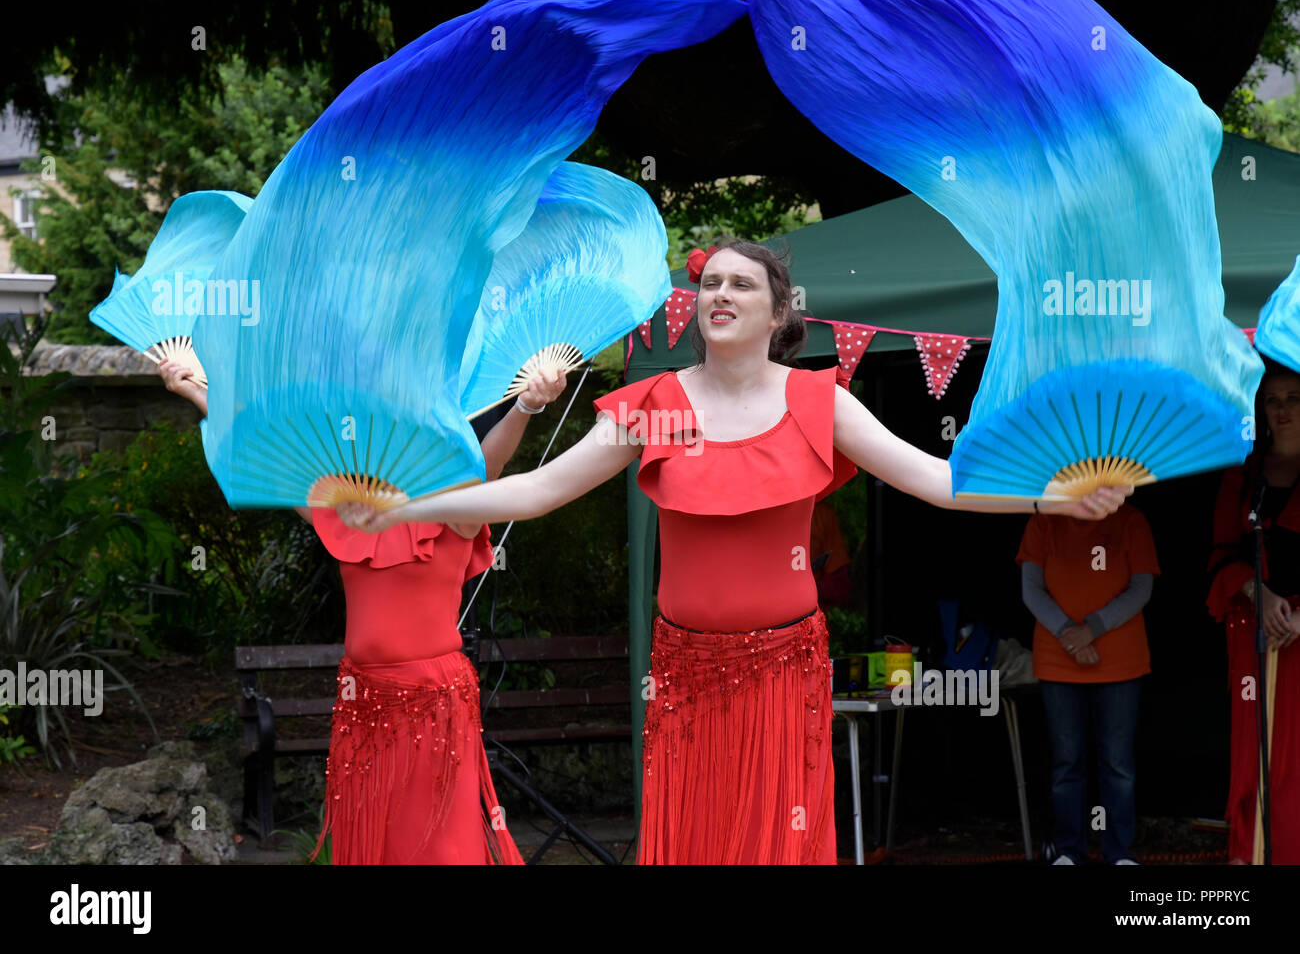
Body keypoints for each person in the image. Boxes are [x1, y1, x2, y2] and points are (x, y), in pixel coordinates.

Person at [338, 239, 1132, 864]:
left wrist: (1051, 495)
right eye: (710, 283)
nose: (719, 293)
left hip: (784, 675)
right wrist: (417, 506)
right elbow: (537, 492)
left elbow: (937, 479)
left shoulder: (819, 401)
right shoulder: (662, 407)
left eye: (740, 284)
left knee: (778, 842)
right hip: (686, 677)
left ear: (782, 311)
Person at [157, 357, 565, 864]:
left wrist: (526, 403)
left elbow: (490, 466)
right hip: (363, 701)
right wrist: (199, 387)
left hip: (432, 704)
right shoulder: (349, 514)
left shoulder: (456, 510)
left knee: (438, 845)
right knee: (370, 841)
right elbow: (269, 450)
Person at [1017, 503, 1158, 865]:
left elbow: (1141, 588)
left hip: (1120, 661)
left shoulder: (1131, 520)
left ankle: (1119, 853)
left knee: (1118, 762)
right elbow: (1031, 589)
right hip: (1058, 659)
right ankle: (1068, 851)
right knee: (1067, 761)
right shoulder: (1043, 520)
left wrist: (1090, 630)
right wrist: (1069, 634)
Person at [1207, 359, 1300, 864]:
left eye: (1294, 400)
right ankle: (1249, 855)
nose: (1282, 411)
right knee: (1253, 753)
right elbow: (1221, 553)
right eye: (1272, 401)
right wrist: (1256, 591)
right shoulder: (1244, 475)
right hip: (1255, 632)